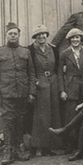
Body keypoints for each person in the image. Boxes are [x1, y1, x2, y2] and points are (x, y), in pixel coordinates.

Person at [0, 23, 35, 165]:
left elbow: (31, 73)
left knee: (20, 121)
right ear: (6, 35)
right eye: (11, 34)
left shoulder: (25, 52)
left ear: (19, 35)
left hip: (22, 92)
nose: (13, 36)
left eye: (15, 33)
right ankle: (9, 152)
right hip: (6, 93)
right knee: (8, 122)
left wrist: (31, 92)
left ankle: (19, 150)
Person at [27, 24, 62, 156]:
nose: (41, 37)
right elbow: (28, 69)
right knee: (40, 116)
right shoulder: (30, 50)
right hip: (39, 83)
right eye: (38, 35)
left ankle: (48, 147)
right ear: (35, 37)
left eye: (44, 34)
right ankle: (35, 146)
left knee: (53, 114)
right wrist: (35, 81)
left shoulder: (53, 49)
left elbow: (58, 66)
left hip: (53, 82)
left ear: (47, 36)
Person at [57, 28, 83, 126]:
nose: (75, 40)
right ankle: (69, 140)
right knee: (70, 116)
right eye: (73, 38)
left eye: (77, 37)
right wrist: (62, 90)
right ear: (69, 40)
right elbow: (60, 73)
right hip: (70, 89)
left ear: (81, 38)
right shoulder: (64, 54)